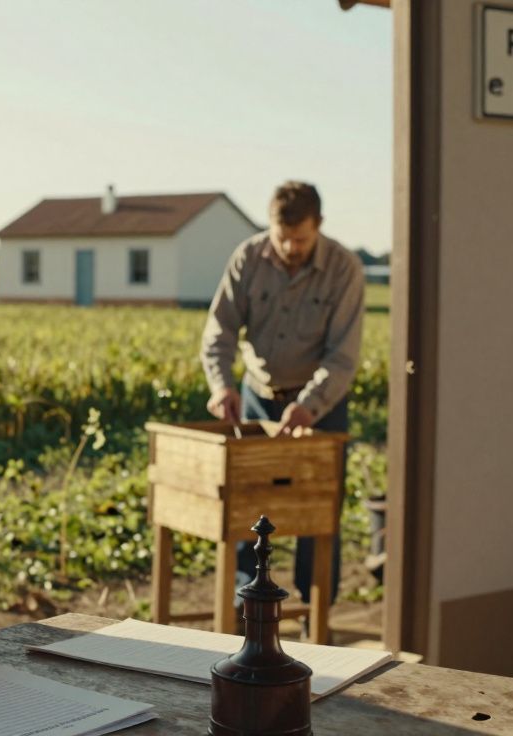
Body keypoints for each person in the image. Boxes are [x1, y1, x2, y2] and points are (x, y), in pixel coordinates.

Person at [199, 181, 364, 606]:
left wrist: (308, 406)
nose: (291, 246)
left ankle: (315, 612)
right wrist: (222, 386)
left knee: (317, 512)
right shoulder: (247, 258)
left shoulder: (345, 268)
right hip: (256, 398)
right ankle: (245, 608)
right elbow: (219, 333)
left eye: (301, 238)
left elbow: (342, 358)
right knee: (248, 507)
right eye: (282, 236)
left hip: (320, 407)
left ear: (319, 225)